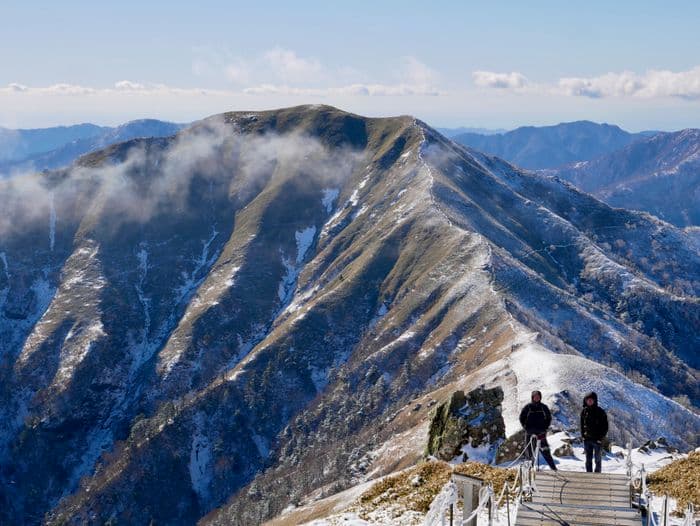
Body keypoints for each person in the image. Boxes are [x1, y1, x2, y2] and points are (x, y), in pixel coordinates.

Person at [519, 390, 557, 470]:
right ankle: (529, 470)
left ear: (540, 397)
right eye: (535, 396)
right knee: (529, 451)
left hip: (541, 432)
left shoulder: (544, 407)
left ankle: (554, 469)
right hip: (529, 432)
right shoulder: (528, 407)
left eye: (538, 396)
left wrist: (545, 428)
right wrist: (526, 428)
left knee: (545, 450)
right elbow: (522, 418)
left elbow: (548, 418)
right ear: (532, 397)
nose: (536, 398)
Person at [580, 391, 608, 473]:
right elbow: (581, 425)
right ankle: (589, 475)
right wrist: (583, 436)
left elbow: (605, 427)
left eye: (591, 400)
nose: (589, 401)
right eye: (587, 400)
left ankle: (597, 476)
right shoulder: (584, 412)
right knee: (588, 459)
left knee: (597, 460)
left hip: (597, 440)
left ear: (595, 400)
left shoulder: (600, 412)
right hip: (587, 440)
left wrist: (600, 438)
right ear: (585, 400)